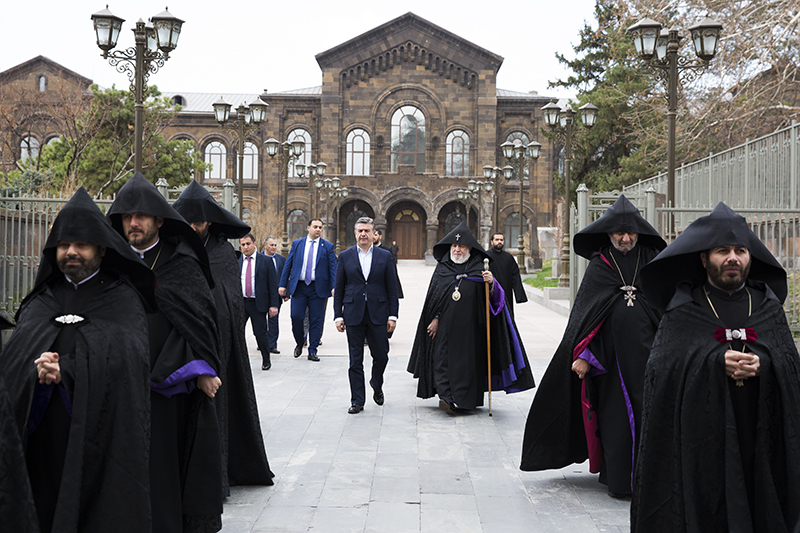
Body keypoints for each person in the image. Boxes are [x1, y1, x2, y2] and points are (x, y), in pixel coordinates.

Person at [631, 202, 800, 532]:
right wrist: (712, 360)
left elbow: (789, 367)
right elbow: (660, 371)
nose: (733, 258)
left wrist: (763, 363)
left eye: (740, 250)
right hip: (701, 440)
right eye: (723, 250)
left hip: (759, 431)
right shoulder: (684, 308)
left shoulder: (767, 305)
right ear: (704, 257)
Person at [1, 187, 156, 532]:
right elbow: (14, 361)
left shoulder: (121, 298)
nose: (71, 252)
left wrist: (69, 371)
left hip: (97, 438)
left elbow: (129, 359)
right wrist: (35, 370)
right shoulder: (40, 299)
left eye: (81, 245)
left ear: (101, 248)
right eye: (64, 245)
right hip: (39, 431)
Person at [520, 194, 666, 498]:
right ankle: (620, 480)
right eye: (618, 233)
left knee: (652, 415)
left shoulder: (651, 261)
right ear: (608, 234)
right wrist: (585, 354)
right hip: (611, 362)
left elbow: (664, 306)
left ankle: (651, 478)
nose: (625, 238)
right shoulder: (600, 266)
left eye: (630, 233)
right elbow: (587, 317)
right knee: (616, 419)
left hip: (650, 356)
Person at [107, 172, 223, 533]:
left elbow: (199, 326)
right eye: (127, 216)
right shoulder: (110, 264)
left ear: (159, 220)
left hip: (167, 389)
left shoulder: (182, 263)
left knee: (162, 464)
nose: (134, 222)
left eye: (141, 216)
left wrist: (199, 368)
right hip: (119, 384)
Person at [172, 181, 275, 493]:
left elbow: (227, 302)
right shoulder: (174, 250)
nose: (193, 227)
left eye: (199, 222)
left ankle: (218, 473)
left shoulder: (221, 254)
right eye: (187, 222)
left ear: (209, 223)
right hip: (178, 349)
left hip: (219, 345)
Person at [407, 221, 535, 414]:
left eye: (461, 246)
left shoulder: (479, 269)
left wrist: (491, 284)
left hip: (472, 329)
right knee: (441, 360)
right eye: (454, 246)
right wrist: (434, 318)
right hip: (445, 327)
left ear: (469, 248)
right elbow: (434, 298)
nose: (457, 249)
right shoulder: (443, 268)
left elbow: (495, 300)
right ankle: (446, 397)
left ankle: (466, 400)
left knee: (468, 365)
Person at [334, 217, 399, 414]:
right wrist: (338, 315)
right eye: (360, 230)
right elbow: (339, 287)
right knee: (355, 360)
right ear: (355, 233)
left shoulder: (385, 256)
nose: (363, 234)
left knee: (381, 356)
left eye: (367, 231)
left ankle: (376, 383)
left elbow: (392, 288)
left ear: (373, 234)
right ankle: (357, 400)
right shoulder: (345, 256)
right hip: (353, 313)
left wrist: (393, 316)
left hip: (378, 314)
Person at [278, 218, 337, 361]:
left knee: (316, 320)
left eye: (320, 227)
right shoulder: (297, 244)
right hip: (300, 287)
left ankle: (313, 350)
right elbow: (288, 265)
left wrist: (335, 286)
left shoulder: (327, 247)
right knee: (296, 316)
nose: (318, 229)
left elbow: (333, 268)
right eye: (315, 227)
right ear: (308, 228)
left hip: (318, 288)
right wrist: (282, 284)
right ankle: (300, 341)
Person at [238, 233, 280, 369]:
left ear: (254, 244)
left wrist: (274, 305)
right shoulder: (237, 261)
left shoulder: (265, 261)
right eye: (243, 244)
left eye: (248, 244)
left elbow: (273, 285)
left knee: (260, 333)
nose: (245, 247)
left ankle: (266, 360)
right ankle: (238, 362)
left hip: (258, 304)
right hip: (240, 303)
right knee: (237, 332)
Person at [485, 232, 528, 319]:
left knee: (506, 317)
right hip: (490, 292)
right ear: (491, 242)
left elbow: (515, 276)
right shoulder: (486, 256)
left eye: (501, 240)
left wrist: (519, 296)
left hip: (506, 293)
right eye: (497, 240)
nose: (499, 242)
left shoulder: (508, 257)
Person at [263, 236, 287, 354]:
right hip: (261, 294)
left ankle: (272, 344)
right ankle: (262, 342)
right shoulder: (259, 258)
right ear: (265, 246)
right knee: (261, 320)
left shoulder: (281, 259)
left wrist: (287, 292)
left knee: (273, 319)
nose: (273, 247)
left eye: (275, 245)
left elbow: (285, 275)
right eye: (271, 245)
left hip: (276, 295)